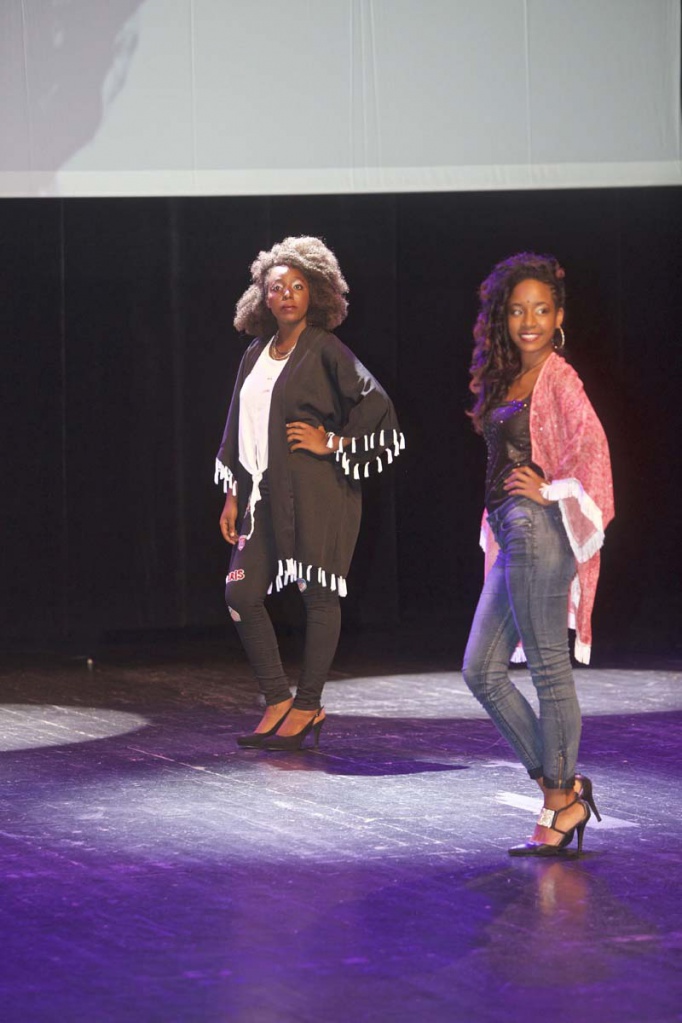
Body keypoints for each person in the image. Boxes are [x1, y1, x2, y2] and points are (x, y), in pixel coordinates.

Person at [215, 236, 403, 750]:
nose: (288, 295)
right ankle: (278, 699)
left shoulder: (325, 348)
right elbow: (238, 427)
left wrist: (333, 442)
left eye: (298, 286)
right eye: (278, 287)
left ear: (315, 293)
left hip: (318, 492)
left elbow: (378, 406)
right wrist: (233, 493)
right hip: (263, 495)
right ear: (264, 297)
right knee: (240, 594)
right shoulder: (255, 353)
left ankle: (308, 704)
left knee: (317, 594)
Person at [462, 252, 614, 856]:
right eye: (518, 310)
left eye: (542, 310)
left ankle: (558, 802)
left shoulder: (560, 377)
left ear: (559, 317)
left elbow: (593, 449)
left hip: (539, 530)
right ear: (503, 317)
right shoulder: (508, 378)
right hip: (512, 532)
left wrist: (549, 488)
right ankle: (562, 789)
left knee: (549, 669)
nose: (530, 321)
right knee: (481, 671)